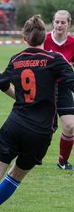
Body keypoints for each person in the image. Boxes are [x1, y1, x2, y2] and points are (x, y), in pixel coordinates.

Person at [0, 15, 74, 212]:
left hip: (14, 123)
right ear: (45, 37)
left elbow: (0, 82)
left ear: (24, 38)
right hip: (40, 130)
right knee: (15, 177)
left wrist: (19, 97)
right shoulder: (55, 59)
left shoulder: (16, 59)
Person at [44, 10, 74, 170]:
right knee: (41, 128)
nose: (59, 25)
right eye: (57, 22)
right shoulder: (44, 39)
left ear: (69, 24)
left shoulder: (73, 43)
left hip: (64, 88)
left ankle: (62, 162)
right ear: (53, 22)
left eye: (63, 22)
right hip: (44, 88)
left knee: (70, 126)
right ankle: (30, 157)